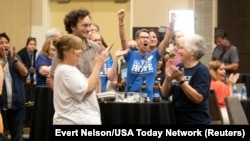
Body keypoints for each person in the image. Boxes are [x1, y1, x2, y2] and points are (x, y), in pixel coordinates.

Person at [117, 9, 175, 100]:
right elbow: (123, 39)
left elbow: (166, 40)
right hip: (132, 98)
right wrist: (121, 21)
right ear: (136, 40)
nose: (146, 40)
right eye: (143, 37)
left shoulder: (155, 55)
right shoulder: (130, 55)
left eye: (148, 38)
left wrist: (172, 24)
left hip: (149, 99)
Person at [53, 34, 110, 125]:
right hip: (74, 121)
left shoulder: (70, 68)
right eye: (77, 49)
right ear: (66, 51)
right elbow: (87, 89)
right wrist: (97, 66)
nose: (80, 52)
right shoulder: (66, 71)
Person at [160, 34, 211, 124]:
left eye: (182, 48)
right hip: (176, 119)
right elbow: (164, 94)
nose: (178, 51)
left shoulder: (201, 70)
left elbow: (198, 98)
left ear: (192, 51)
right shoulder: (179, 67)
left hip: (195, 122)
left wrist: (181, 81)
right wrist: (168, 78)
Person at [50, 8, 102, 89]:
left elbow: (97, 78)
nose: (88, 29)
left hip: (91, 99)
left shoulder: (96, 48)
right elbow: (53, 78)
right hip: (72, 99)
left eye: (89, 25)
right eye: (85, 25)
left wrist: (98, 98)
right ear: (73, 26)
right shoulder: (65, 48)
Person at [0, 32, 28, 141]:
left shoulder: (15, 57)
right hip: (2, 105)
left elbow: (25, 73)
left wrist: (15, 60)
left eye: (6, 42)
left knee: (17, 136)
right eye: (1, 43)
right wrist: (3, 62)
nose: (4, 45)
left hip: (17, 104)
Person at [209, 60, 240, 124]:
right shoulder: (221, 85)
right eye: (221, 69)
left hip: (209, 116)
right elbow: (232, 105)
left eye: (224, 69)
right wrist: (230, 86)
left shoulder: (207, 83)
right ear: (214, 71)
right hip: (222, 115)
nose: (224, 71)